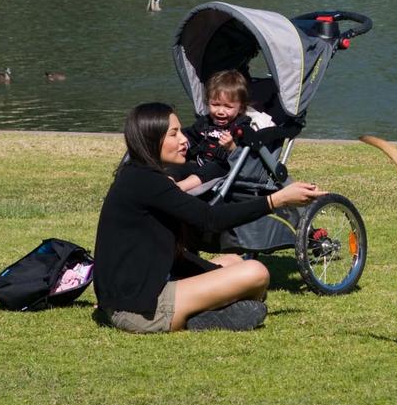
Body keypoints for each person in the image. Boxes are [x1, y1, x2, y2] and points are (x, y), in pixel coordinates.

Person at [93, 102, 324, 334]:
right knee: (257, 273)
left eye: (181, 131)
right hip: (141, 310)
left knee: (234, 262)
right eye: (174, 134)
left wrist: (214, 271)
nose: (184, 140)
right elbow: (210, 219)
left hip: (134, 293)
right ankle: (209, 315)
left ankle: (213, 313)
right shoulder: (148, 182)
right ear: (152, 139)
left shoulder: (137, 175)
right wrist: (277, 200)